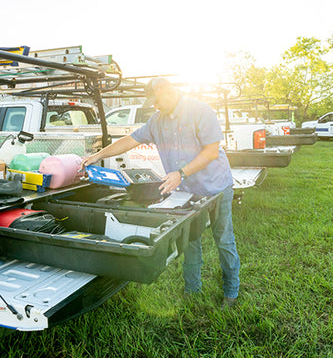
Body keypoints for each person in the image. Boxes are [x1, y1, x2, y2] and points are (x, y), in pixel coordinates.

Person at [83, 77, 242, 306]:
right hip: (186, 192)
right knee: (190, 241)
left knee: (224, 240)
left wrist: (180, 173)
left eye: (157, 101)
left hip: (215, 187)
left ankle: (231, 292)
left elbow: (211, 152)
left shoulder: (200, 111)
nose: (155, 106)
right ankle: (192, 291)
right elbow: (130, 140)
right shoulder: (157, 121)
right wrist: (98, 155)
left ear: (168, 91)